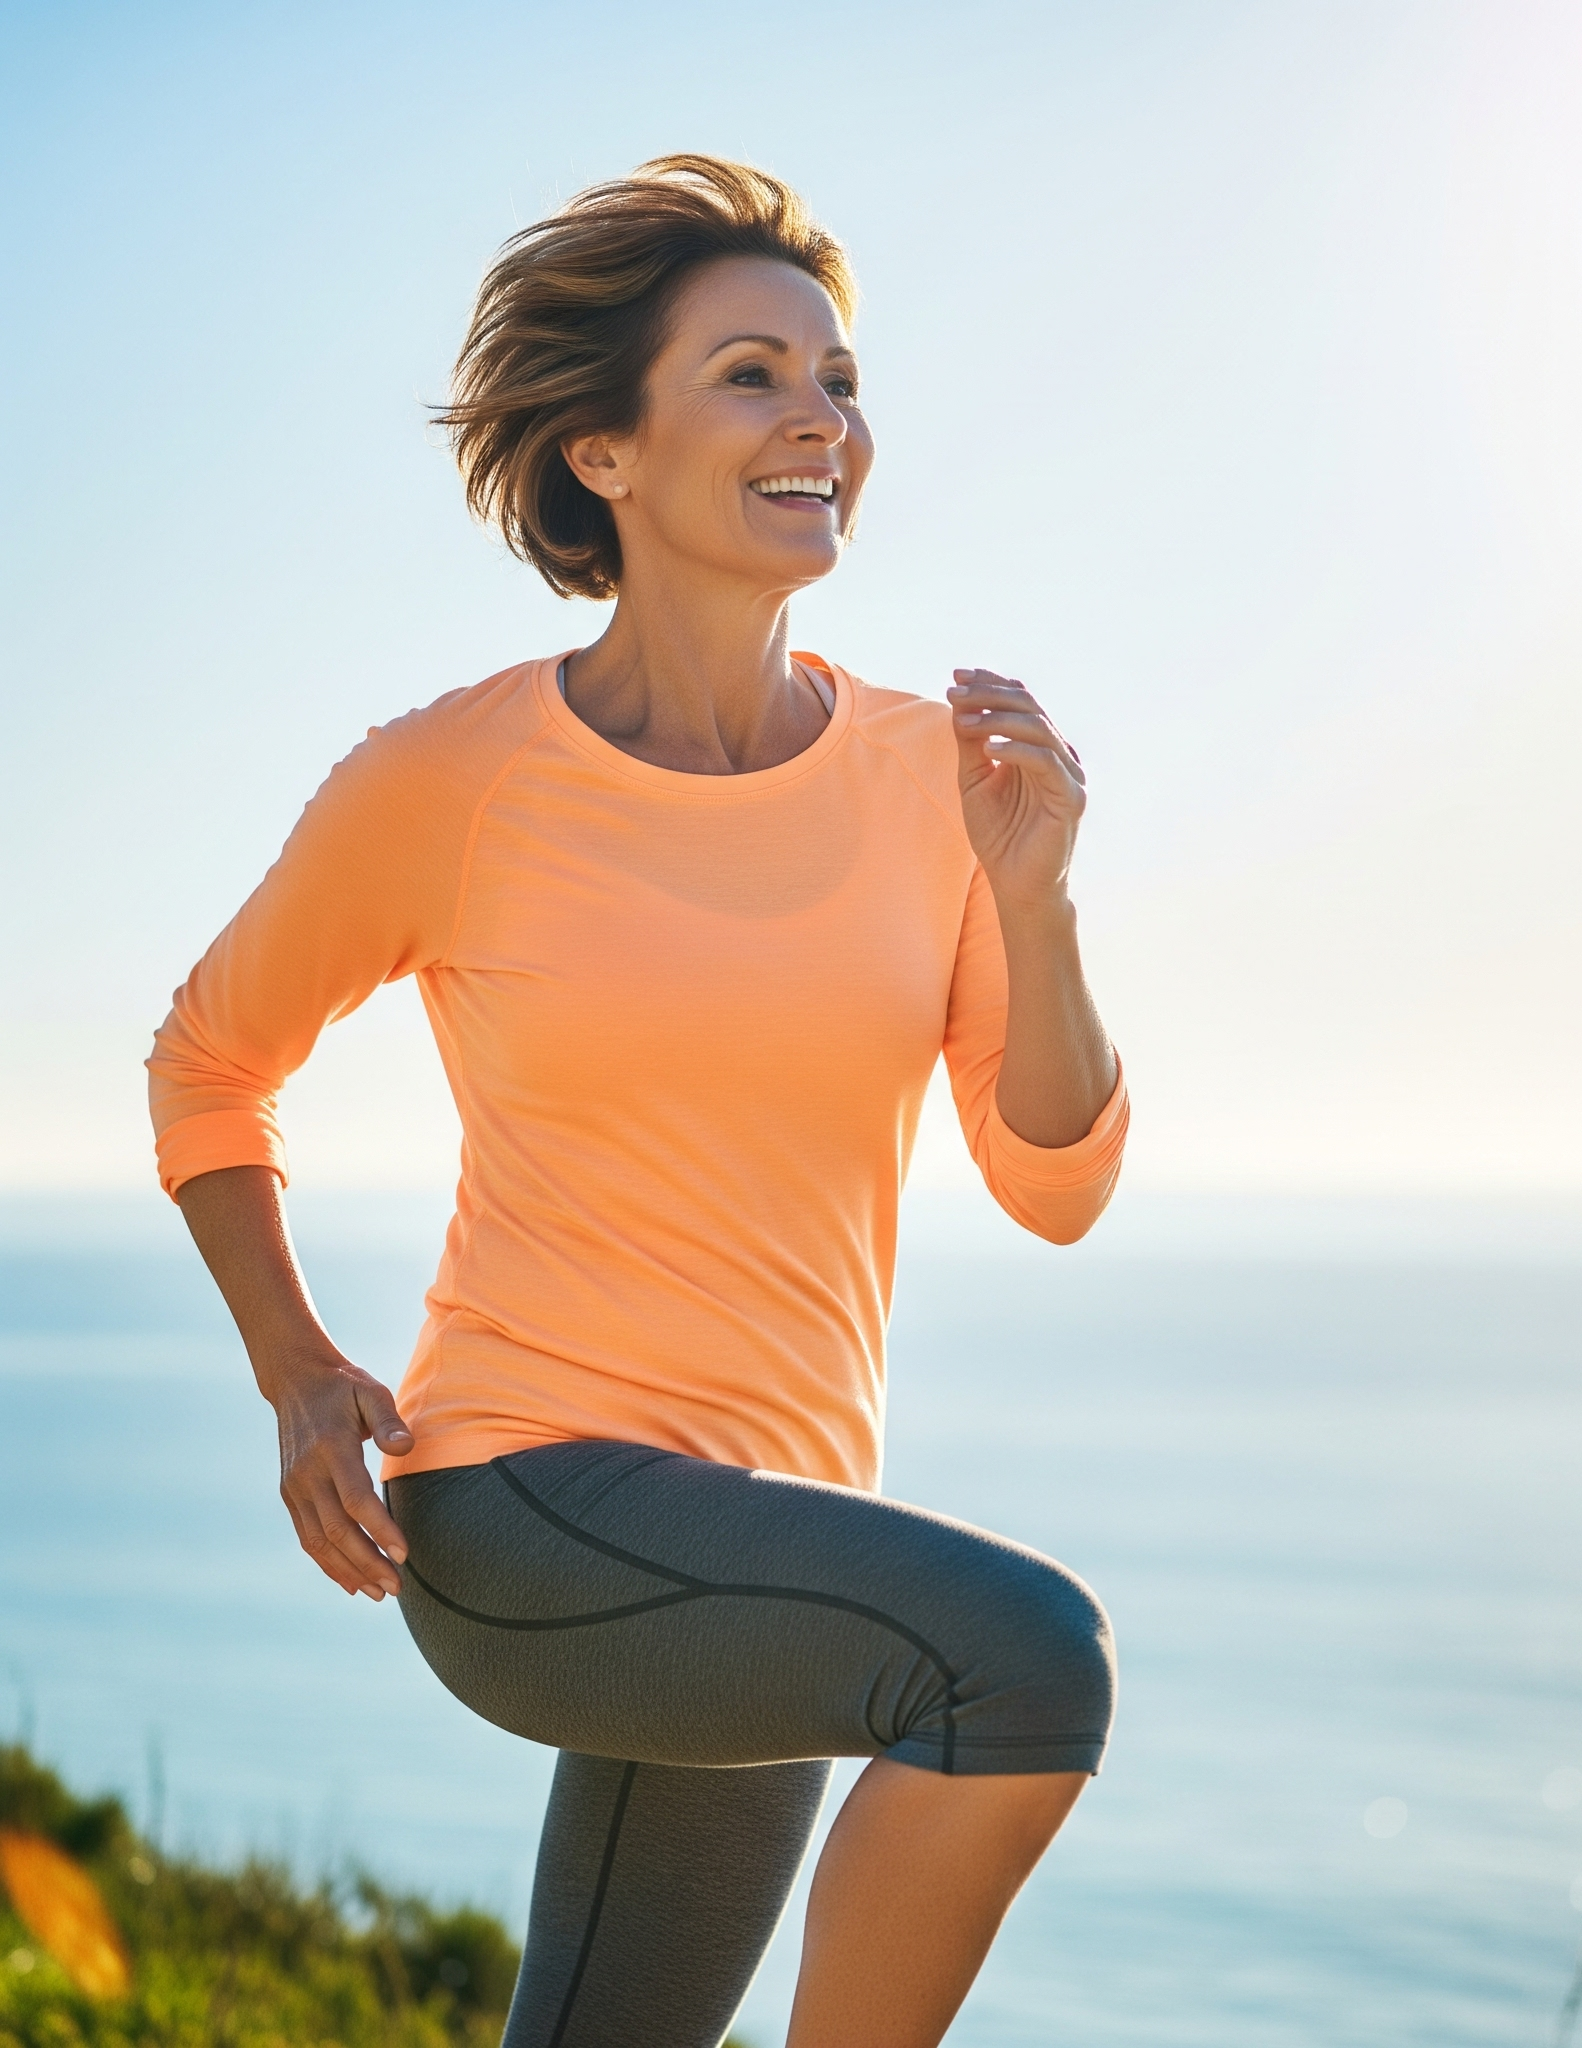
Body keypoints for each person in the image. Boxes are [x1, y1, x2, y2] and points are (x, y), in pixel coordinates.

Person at [147, 154, 1128, 2048]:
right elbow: (210, 1060)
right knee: (1022, 1665)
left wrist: (1038, 899)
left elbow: (1055, 1177)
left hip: (765, 1527)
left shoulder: (943, 779)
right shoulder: (455, 778)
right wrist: (294, 1371)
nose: (822, 423)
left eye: (840, 381)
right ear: (605, 452)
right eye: (753, 375)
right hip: (524, 1507)